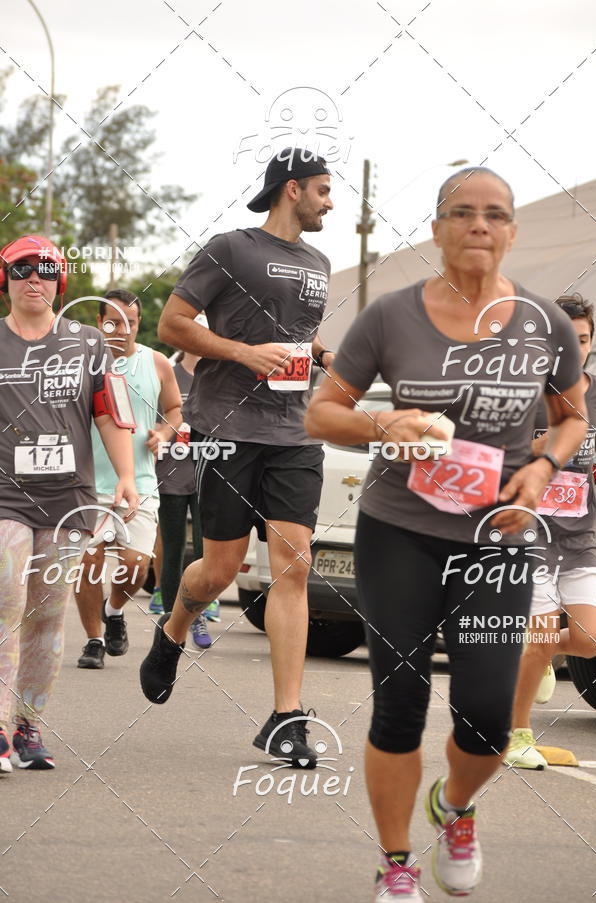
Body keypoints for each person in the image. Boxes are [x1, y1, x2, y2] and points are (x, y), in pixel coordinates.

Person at [304, 168, 587, 900]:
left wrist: (543, 465)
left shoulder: (543, 323)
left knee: (488, 719)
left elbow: (571, 415)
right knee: (399, 699)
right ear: (437, 229)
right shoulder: (391, 317)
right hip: (401, 528)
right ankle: (396, 863)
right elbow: (321, 412)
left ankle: (455, 808)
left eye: (495, 214)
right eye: (462, 213)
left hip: (498, 536)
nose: (479, 226)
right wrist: (381, 421)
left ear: (512, 231)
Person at [140, 147, 334, 766]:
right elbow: (172, 324)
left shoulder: (319, 261)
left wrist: (327, 357)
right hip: (228, 428)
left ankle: (285, 718)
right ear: (293, 189)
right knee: (217, 572)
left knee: (293, 565)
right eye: (325, 190)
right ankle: (173, 630)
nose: (331, 201)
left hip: (295, 433)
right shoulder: (230, 248)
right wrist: (243, 353)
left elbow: (297, 335)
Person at [0, 236, 138, 771]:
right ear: (6, 279)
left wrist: (126, 476)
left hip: (68, 501)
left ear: (61, 281)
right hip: (6, 496)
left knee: (47, 613)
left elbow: (110, 412)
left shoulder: (87, 343)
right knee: (6, 600)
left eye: (46, 269)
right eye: (21, 269)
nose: (33, 278)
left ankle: (28, 728)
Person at [505, 293, 596, 769]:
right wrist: (532, 447)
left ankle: (532, 653)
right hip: (529, 532)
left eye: (581, 341)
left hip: (580, 535)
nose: (572, 350)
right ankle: (516, 736)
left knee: (588, 640)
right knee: (541, 634)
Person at [75, 290, 182, 669]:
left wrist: (164, 434)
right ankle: (93, 640)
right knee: (89, 563)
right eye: (113, 322)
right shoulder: (82, 363)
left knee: (136, 565)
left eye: (131, 323)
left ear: (139, 324)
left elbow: (174, 410)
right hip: (87, 484)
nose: (122, 330)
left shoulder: (156, 364)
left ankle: (115, 609)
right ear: (99, 322)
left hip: (139, 481)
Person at [154, 349, 214, 648]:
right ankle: (168, 618)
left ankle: (197, 616)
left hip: (207, 472)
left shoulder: (216, 372)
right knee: (174, 547)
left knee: (207, 552)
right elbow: (154, 418)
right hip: (171, 473)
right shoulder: (168, 371)